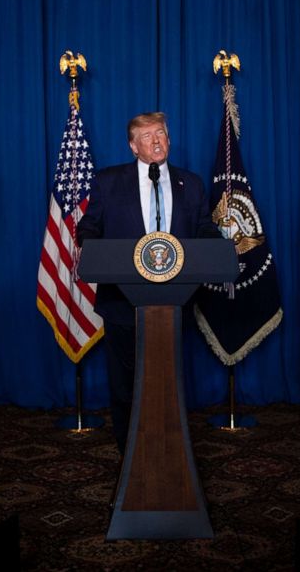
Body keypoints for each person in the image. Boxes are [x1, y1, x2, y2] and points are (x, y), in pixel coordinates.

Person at [77, 112, 219, 454]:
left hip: (175, 303)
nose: (155, 141)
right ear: (133, 146)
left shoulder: (192, 184)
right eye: (146, 136)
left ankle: (171, 448)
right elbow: (90, 226)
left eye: (160, 134)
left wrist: (219, 246)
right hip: (122, 304)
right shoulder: (109, 181)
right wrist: (85, 241)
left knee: (169, 381)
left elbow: (203, 231)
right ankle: (129, 454)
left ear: (169, 140)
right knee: (125, 385)